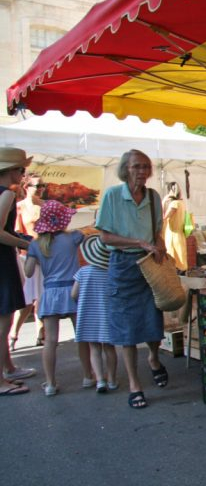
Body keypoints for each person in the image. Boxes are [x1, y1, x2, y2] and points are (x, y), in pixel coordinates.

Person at [96, 149, 168, 409]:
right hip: (124, 265)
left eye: (146, 167)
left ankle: (153, 358)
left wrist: (160, 246)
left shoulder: (153, 196)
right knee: (126, 328)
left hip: (149, 264)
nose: (142, 171)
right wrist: (137, 241)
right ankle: (134, 385)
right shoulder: (113, 196)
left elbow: (158, 231)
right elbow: (104, 236)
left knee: (153, 320)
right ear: (126, 169)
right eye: (137, 166)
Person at [25, 200, 93, 396]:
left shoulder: (36, 244)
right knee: (81, 337)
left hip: (51, 293)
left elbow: (28, 272)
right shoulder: (72, 238)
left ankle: (50, 383)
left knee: (50, 341)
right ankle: (88, 376)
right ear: (63, 220)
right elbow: (91, 232)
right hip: (73, 290)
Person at [0, 148, 34, 396]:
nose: (23, 175)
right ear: (10, 171)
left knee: (5, 317)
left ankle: (8, 367)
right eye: (21, 170)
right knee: (4, 320)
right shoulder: (6, 195)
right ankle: (2, 379)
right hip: (2, 260)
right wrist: (26, 244)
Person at [72, 235, 119, 394]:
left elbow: (74, 294)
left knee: (94, 349)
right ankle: (112, 380)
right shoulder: (112, 273)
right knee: (110, 348)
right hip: (108, 316)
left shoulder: (83, 272)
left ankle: (100, 380)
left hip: (88, 316)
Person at [12, 173, 45, 349]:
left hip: (45, 256)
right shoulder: (20, 207)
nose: (40, 189)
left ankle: (41, 332)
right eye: (37, 186)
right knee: (26, 300)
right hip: (28, 255)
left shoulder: (46, 205)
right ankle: (14, 334)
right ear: (27, 187)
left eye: (42, 186)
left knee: (42, 298)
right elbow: (17, 232)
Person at [162, 181, 188, 271]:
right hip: (180, 234)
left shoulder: (174, 204)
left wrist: (163, 201)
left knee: (174, 259)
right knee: (181, 258)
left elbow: (164, 217)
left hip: (173, 234)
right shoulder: (182, 203)